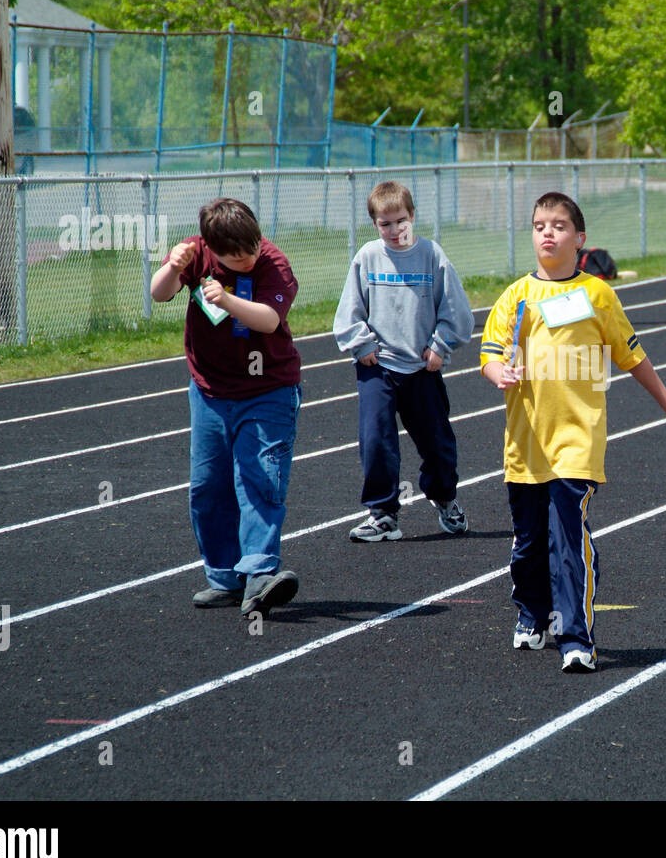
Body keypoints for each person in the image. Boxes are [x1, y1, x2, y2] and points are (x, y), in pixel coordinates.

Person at [480, 192, 666, 673]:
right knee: (529, 542)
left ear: (580, 239)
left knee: (568, 539)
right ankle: (532, 614)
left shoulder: (598, 295)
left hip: (577, 442)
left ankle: (576, 637)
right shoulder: (516, 296)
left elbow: (631, 354)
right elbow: (490, 356)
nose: (547, 233)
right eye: (539, 225)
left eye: (558, 225)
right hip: (525, 444)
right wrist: (500, 374)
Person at [149, 197, 302, 616]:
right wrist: (173, 269)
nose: (248, 260)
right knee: (208, 486)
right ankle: (224, 577)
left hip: (267, 390)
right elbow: (158, 294)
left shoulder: (274, 263)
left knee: (259, 481)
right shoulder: (196, 253)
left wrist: (227, 299)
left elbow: (269, 319)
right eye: (235, 258)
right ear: (212, 249)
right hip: (210, 391)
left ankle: (259, 576)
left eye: (251, 250)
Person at [333, 181, 475, 541]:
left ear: (412, 217)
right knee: (376, 440)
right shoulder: (367, 257)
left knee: (438, 444)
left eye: (400, 221)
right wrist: (360, 344)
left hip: (420, 369)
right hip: (377, 367)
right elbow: (349, 312)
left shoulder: (431, 255)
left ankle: (444, 498)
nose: (394, 231)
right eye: (385, 224)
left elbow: (456, 310)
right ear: (374, 224)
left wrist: (440, 345)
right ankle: (383, 514)